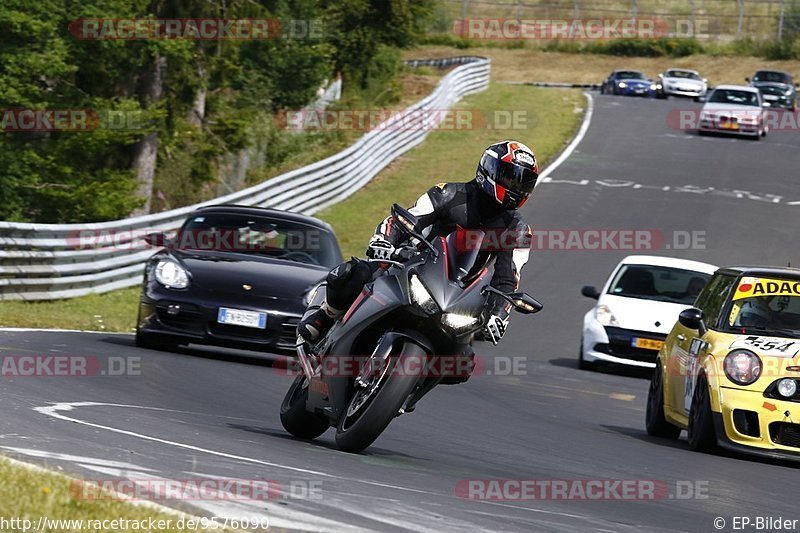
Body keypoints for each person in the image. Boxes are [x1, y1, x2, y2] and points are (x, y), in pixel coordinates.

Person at [297, 140, 538, 347]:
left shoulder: (518, 231)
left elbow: (508, 278)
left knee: (463, 362)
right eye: (511, 179)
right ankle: (325, 315)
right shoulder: (448, 193)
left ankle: (404, 397)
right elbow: (408, 218)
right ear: (490, 169)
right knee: (353, 273)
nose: (515, 188)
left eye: (522, 184)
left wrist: (499, 314)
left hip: (457, 294)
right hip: (413, 265)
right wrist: (384, 240)